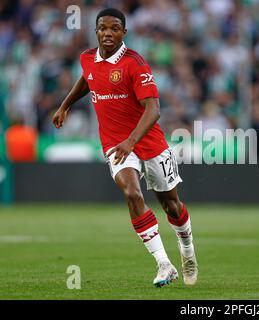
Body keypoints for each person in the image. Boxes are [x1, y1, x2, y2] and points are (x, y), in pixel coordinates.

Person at [52, 8, 198, 287]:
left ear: (124, 33)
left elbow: (154, 109)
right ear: (96, 31)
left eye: (115, 28)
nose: (108, 33)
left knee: (171, 205)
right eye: (103, 28)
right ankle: (164, 264)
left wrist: (131, 140)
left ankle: (188, 252)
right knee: (132, 193)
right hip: (115, 146)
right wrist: (65, 105)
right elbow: (87, 78)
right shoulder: (87, 58)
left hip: (149, 142)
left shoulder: (135, 63)